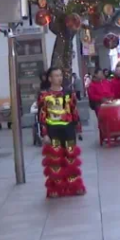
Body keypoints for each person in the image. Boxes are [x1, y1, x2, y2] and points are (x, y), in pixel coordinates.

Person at [39, 67, 85, 198]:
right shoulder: (44, 95)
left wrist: (78, 129)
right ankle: (56, 188)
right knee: (55, 159)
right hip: (53, 130)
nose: (59, 78)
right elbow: (42, 115)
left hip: (68, 129)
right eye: (55, 76)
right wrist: (45, 134)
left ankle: (74, 186)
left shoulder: (69, 93)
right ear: (50, 78)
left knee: (71, 158)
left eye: (60, 75)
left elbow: (74, 111)